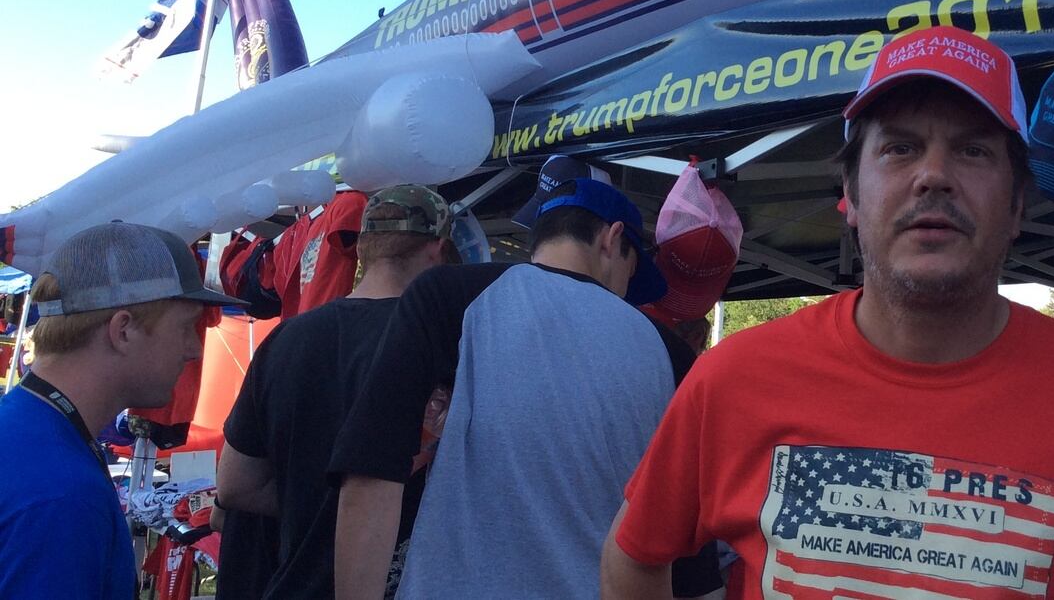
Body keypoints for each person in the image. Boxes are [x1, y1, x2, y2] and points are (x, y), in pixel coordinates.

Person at [602, 26, 1054, 599]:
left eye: (974, 149)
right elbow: (633, 557)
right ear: (851, 198)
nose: (934, 175)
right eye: (899, 147)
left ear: (1018, 205)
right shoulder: (733, 381)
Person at [330, 178, 720, 599]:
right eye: (633, 272)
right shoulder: (668, 352)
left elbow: (373, 471)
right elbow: (689, 554)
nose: (626, 292)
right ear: (613, 239)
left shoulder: (452, 293)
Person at [216, 185, 455, 599]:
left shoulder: (287, 338)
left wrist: (311, 503)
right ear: (437, 249)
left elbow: (234, 484)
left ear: (363, 248)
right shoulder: (448, 341)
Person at [0, 222, 245, 599]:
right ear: (123, 330)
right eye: (186, 327)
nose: (194, 349)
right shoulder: (61, 493)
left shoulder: (29, 429)